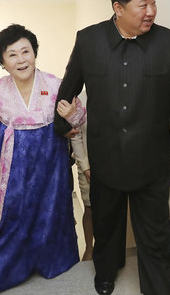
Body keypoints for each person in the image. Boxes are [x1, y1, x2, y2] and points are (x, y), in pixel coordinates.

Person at [54, 0, 170, 295]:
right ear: (118, 8)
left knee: (156, 230)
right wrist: (61, 128)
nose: (150, 11)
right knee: (107, 224)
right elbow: (69, 88)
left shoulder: (167, 41)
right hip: (107, 156)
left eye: (153, 2)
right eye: (142, 5)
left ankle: (159, 287)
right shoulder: (89, 40)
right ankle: (105, 273)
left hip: (152, 156)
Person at [0, 24, 86, 295]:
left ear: (35, 53)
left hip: (50, 160)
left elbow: (79, 117)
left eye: (26, 51)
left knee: (50, 210)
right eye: (12, 54)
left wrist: (71, 113)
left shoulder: (56, 84)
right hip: (11, 162)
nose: (22, 59)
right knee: (11, 213)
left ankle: (47, 259)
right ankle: (9, 264)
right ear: (2, 62)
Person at [70, 93, 93, 261]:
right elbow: (76, 135)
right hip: (87, 165)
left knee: (110, 210)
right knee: (90, 208)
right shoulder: (81, 99)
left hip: (113, 164)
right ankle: (89, 249)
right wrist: (85, 167)